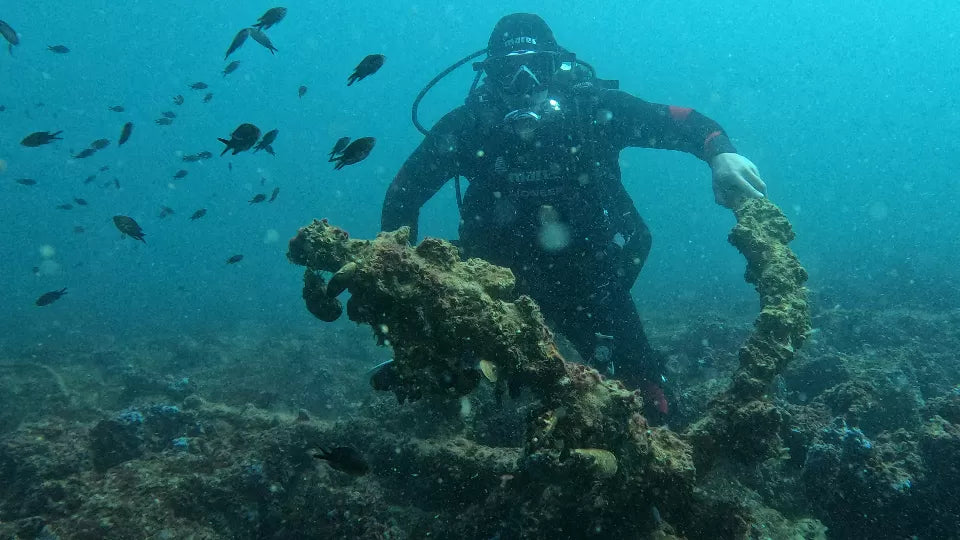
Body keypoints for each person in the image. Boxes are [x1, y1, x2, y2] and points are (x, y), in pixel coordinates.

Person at [380, 13, 766, 411]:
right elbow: (401, 195)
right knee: (440, 385)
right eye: (509, 70)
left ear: (557, 66)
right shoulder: (468, 127)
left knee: (649, 401)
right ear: (490, 76)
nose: (524, 82)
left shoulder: (592, 111)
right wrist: (402, 281)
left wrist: (722, 155)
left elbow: (683, 123)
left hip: (589, 279)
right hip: (490, 283)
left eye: (537, 67)